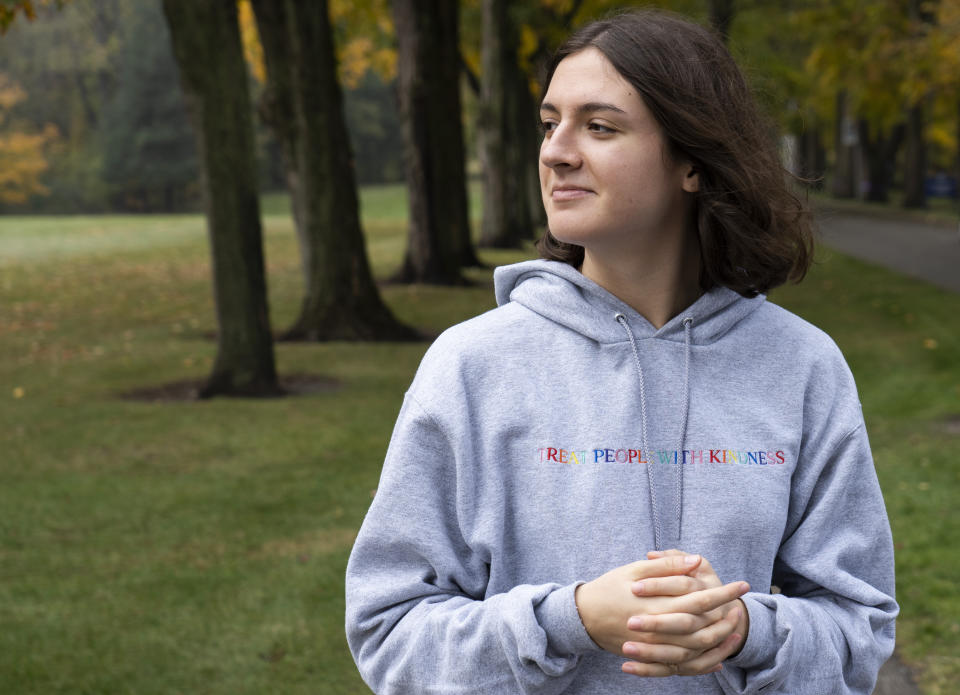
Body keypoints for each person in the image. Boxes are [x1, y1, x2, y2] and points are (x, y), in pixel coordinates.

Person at [345, 9, 897, 694]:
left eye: (599, 127)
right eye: (551, 124)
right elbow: (388, 630)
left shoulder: (802, 367)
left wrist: (743, 631)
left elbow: (859, 631)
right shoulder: (472, 367)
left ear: (693, 162)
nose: (556, 151)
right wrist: (567, 620)